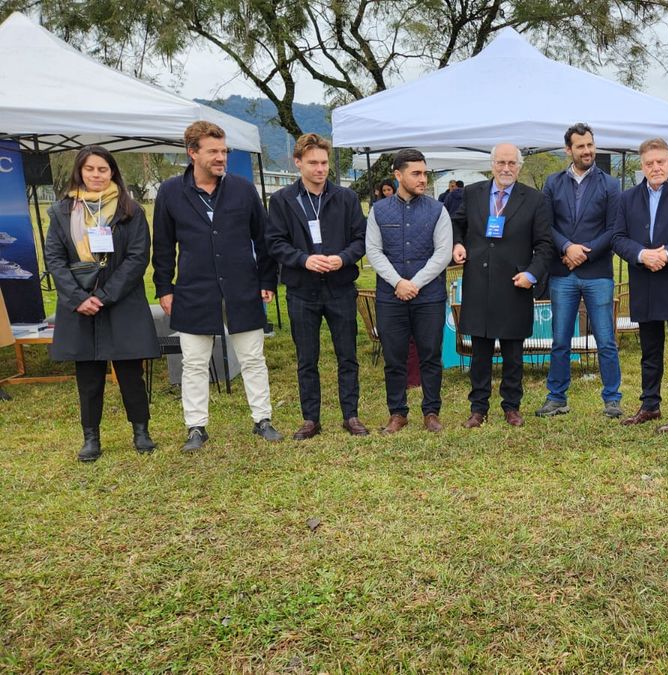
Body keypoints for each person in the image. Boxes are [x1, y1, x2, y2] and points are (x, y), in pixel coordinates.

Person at [152, 120, 281, 453]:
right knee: (194, 362)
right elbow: (163, 246)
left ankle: (262, 419)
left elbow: (263, 238)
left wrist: (267, 279)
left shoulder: (242, 189)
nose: (221, 157)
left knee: (253, 358)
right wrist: (165, 288)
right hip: (194, 289)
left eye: (224, 151)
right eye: (214, 151)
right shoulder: (170, 192)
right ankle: (196, 427)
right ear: (193, 153)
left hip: (243, 286)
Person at [44, 146, 160, 462]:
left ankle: (141, 431)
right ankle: (91, 439)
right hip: (79, 303)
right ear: (80, 172)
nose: (96, 175)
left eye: (103, 169)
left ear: (113, 173)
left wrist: (105, 296)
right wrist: (79, 298)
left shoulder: (131, 211)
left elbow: (139, 257)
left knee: (130, 372)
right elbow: (54, 258)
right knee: (89, 376)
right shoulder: (62, 212)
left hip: (121, 302)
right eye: (90, 169)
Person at [266, 133, 368, 440]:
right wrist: (302, 259)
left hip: (339, 287)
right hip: (301, 289)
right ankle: (311, 419)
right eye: (313, 163)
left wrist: (342, 258)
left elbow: (361, 239)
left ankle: (350, 415)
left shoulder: (346, 198)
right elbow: (275, 242)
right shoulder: (282, 200)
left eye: (324, 162)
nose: (320, 169)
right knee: (306, 357)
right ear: (298, 163)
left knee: (347, 355)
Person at [452, 143, 554, 428]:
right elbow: (457, 224)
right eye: (501, 163)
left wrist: (532, 274)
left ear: (519, 167)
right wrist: (457, 244)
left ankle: (512, 407)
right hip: (479, 284)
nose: (506, 168)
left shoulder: (535, 199)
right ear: (492, 164)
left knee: (513, 354)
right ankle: (478, 409)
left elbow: (545, 245)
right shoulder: (472, 193)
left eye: (512, 163)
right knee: (480, 354)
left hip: (514, 285)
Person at [611, 138, 668, 434]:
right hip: (645, 282)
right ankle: (650, 405)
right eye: (649, 163)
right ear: (642, 166)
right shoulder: (627, 199)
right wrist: (641, 255)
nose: (655, 168)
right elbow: (617, 237)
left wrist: (667, 253)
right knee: (650, 351)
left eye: (660, 162)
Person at [536, 123, 623, 419]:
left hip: (597, 272)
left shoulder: (610, 185)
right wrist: (566, 248)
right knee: (560, 339)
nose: (587, 151)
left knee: (605, 338)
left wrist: (583, 253)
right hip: (563, 273)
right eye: (581, 146)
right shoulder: (552, 182)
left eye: (590, 144)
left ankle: (612, 399)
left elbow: (614, 230)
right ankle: (557, 397)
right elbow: (545, 225)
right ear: (568, 150)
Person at [367, 149, 453, 433]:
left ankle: (431, 411)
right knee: (394, 356)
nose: (423, 179)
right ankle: (397, 412)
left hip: (428, 296)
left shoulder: (438, 210)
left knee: (430, 355)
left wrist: (414, 283)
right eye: (416, 173)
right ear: (397, 174)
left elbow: (442, 253)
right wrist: (398, 283)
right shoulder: (378, 211)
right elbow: (374, 252)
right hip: (391, 297)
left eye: (424, 173)